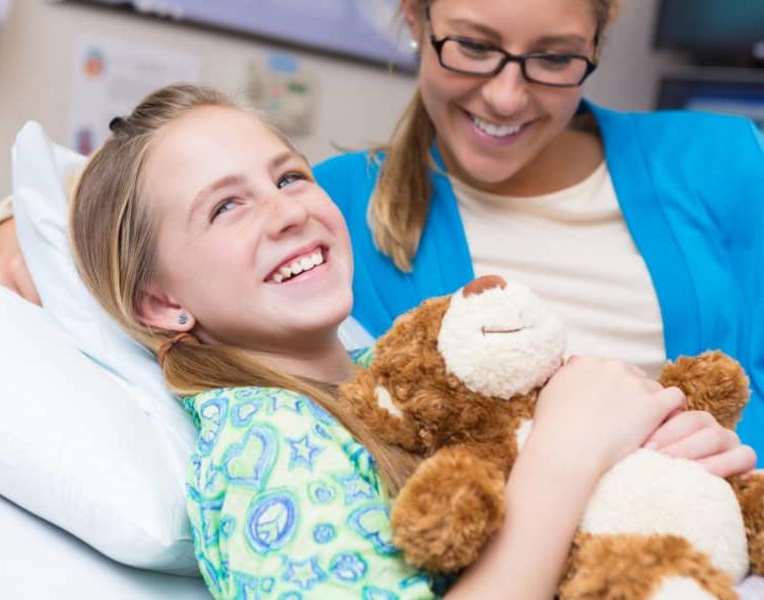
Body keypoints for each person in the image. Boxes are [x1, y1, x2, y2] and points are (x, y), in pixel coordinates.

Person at [64, 84, 741, 599]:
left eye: (289, 176)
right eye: (225, 207)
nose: (287, 211)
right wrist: (569, 450)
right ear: (163, 302)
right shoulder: (269, 445)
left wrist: (662, 451)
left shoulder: (397, 379)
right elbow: (555, 463)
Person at [312, 0, 764, 466]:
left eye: (553, 58)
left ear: (597, 44)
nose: (506, 98)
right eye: (471, 45)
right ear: (415, 19)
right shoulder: (330, 210)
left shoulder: (725, 161)